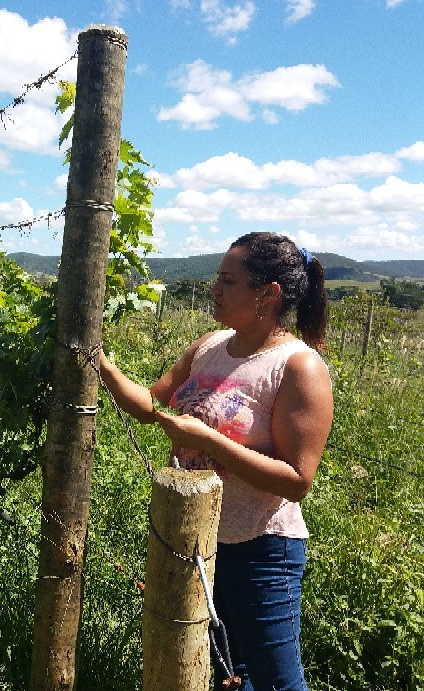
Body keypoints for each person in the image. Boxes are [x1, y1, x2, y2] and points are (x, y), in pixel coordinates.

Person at [99, 232, 333, 691]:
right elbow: (150, 404)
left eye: (228, 281)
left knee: (277, 682)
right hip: (198, 540)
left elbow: (298, 480)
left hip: (260, 549)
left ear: (268, 295)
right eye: (217, 278)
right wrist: (102, 364)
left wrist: (209, 439)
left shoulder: (297, 367)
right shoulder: (211, 346)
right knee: (231, 674)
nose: (214, 289)